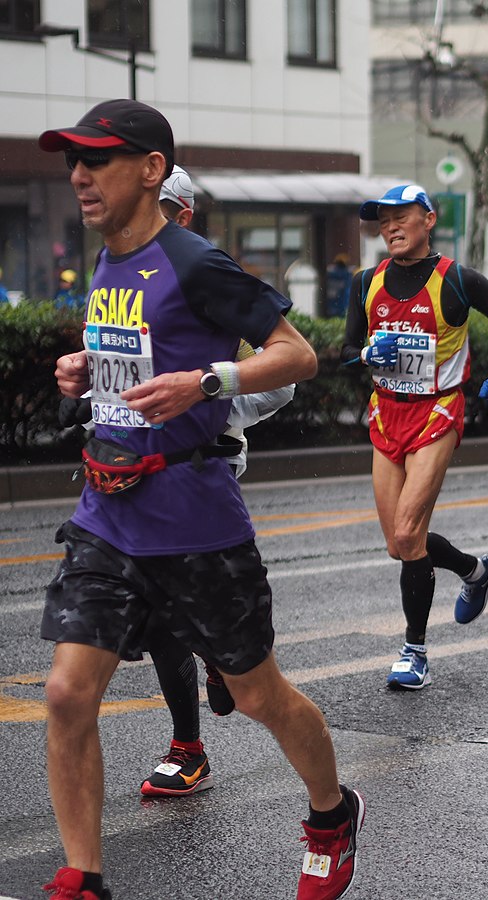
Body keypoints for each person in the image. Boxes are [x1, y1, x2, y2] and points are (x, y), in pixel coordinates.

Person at [37, 99, 362, 900]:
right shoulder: (108, 261)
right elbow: (144, 356)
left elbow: (300, 357)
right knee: (67, 693)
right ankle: (85, 875)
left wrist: (209, 381)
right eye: (73, 160)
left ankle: (332, 813)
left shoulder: (195, 262)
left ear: (151, 171)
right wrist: (89, 366)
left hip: (196, 522)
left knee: (258, 696)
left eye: (99, 159)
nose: (80, 175)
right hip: (107, 514)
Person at [130, 164, 298, 798]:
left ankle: (222, 661)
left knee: (181, 615)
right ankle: (188, 746)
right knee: (156, 620)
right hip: (131, 473)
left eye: (160, 209)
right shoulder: (119, 270)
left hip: (201, 470)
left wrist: (213, 394)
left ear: (182, 214)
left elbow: (285, 371)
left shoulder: (204, 271)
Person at [341, 182, 488, 690]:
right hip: (386, 415)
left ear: (428, 219)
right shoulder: (365, 282)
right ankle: (475, 570)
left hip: (438, 412)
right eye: (383, 220)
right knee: (401, 546)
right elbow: (343, 350)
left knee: (407, 535)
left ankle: (414, 651)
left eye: (402, 216)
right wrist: (363, 357)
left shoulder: (457, 280)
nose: (392, 227)